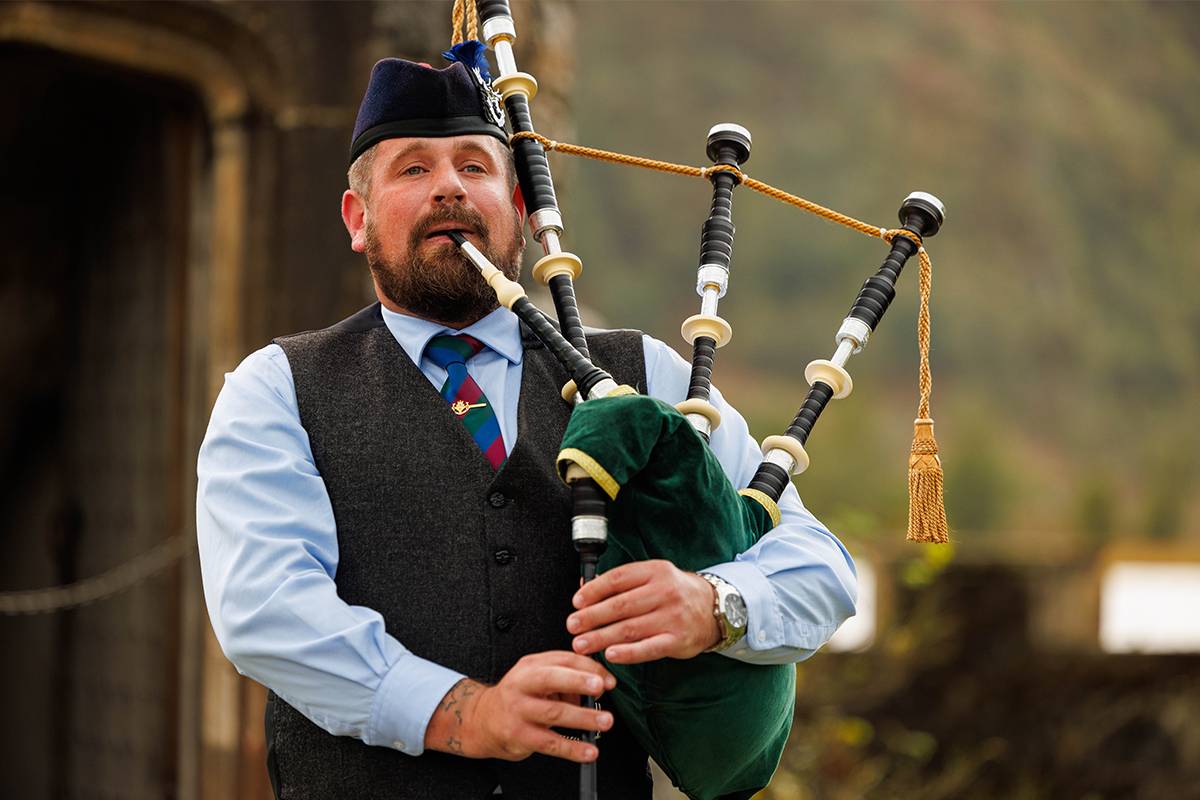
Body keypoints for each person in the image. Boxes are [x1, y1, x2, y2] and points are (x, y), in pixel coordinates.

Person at [197, 55, 857, 800]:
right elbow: (265, 608)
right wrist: (461, 714)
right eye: (412, 170)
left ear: (515, 205)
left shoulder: (647, 374)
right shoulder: (278, 389)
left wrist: (717, 605)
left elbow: (819, 565)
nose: (449, 185)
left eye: (474, 166)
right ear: (359, 220)